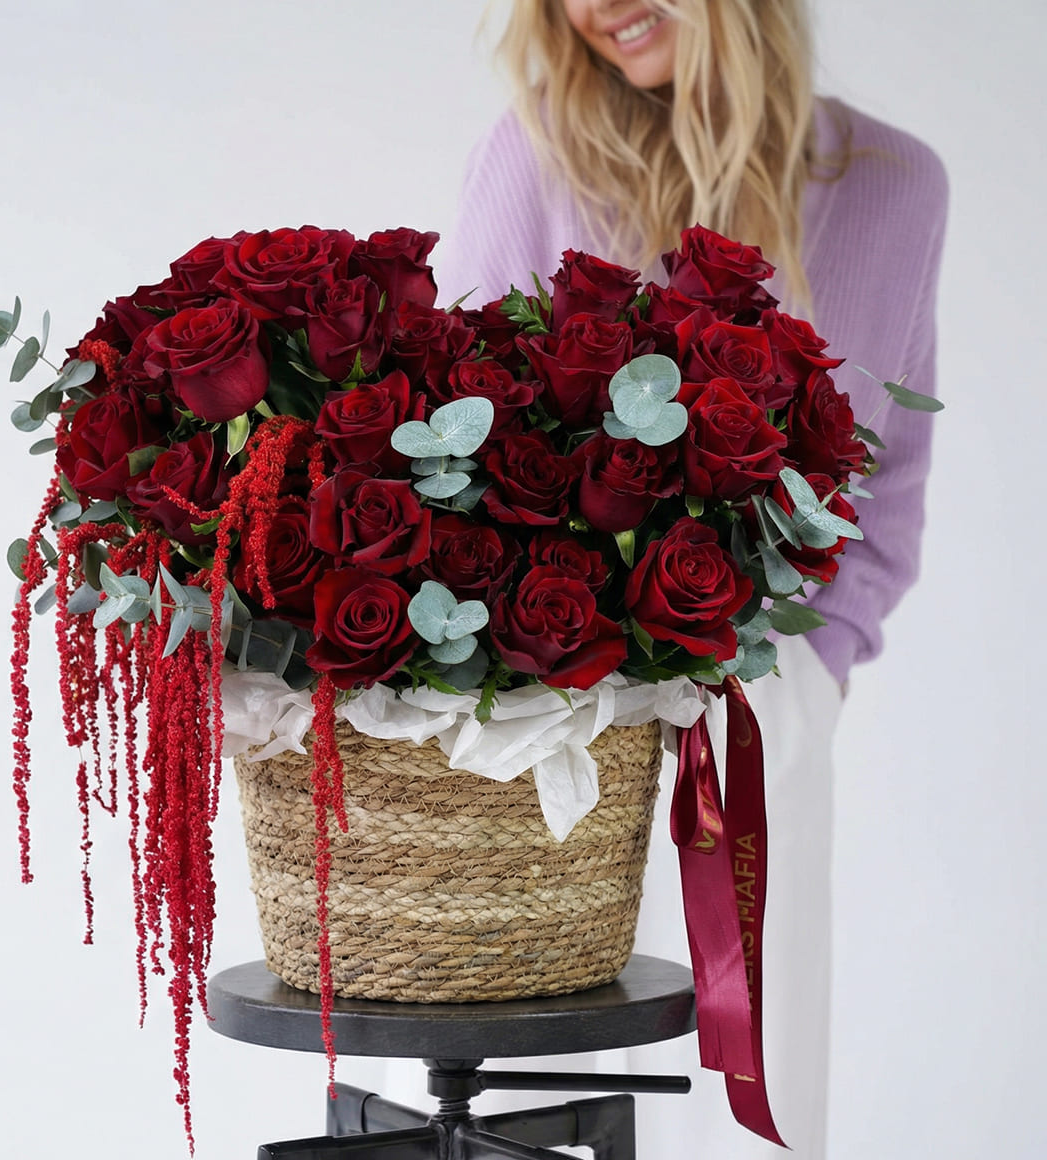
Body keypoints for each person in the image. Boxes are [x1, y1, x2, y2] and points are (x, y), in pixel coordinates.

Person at [416, 2, 949, 1157]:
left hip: (758, 711)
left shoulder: (895, 185)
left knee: (741, 1092)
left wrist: (807, 670)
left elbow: (888, 479)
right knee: (543, 1089)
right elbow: (446, 444)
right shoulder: (538, 151)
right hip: (552, 709)